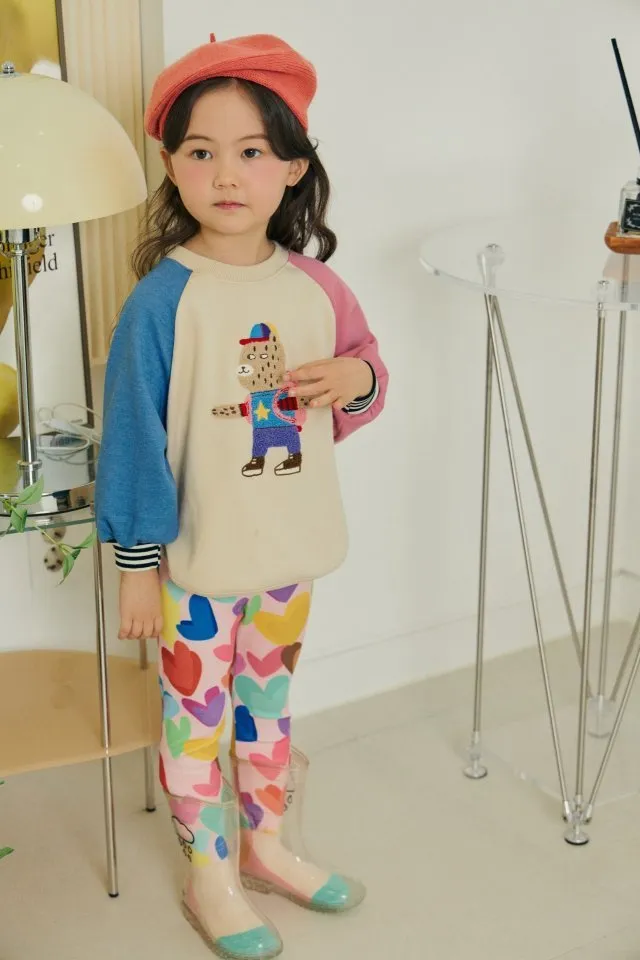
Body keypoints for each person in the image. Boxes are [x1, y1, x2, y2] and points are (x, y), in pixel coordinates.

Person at [96, 32, 388, 960]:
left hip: (289, 553)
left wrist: (354, 378)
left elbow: (366, 376)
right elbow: (134, 442)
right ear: (171, 166)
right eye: (201, 151)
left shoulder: (317, 286)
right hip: (197, 562)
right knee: (195, 719)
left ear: (293, 166)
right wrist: (136, 567)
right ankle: (209, 874)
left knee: (269, 706)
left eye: (252, 151)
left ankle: (266, 845)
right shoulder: (161, 302)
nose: (227, 174)